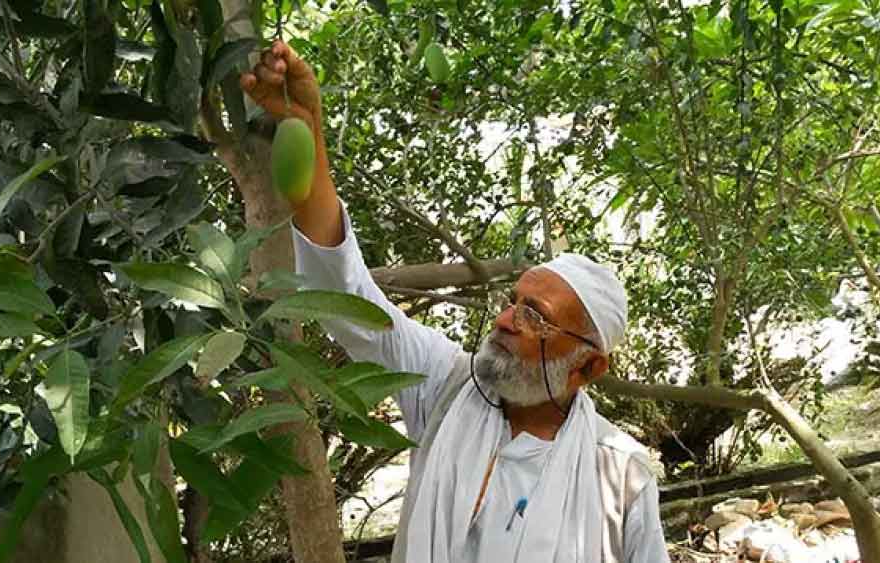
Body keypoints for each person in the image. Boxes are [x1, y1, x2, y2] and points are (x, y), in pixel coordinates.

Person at [240, 41, 670, 563]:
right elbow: (344, 296)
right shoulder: (444, 388)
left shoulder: (619, 478)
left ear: (588, 366)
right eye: (514, 302)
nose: (507, 319)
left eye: (536, 316)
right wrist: (308, 128)